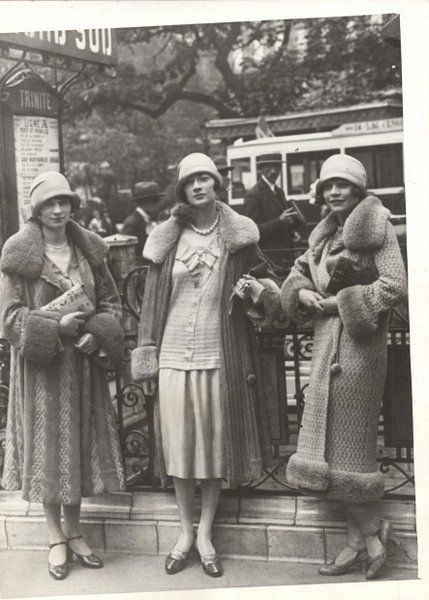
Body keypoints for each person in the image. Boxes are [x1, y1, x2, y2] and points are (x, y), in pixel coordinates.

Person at [130, 153, 286, 578]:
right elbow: (150, 308)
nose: (199, 185)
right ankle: (184, 532)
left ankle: (206, 534)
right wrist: (146, 355)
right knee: (180, 445)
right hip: (173, 355)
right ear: (181, 189)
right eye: (190, 180)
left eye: (206, 178)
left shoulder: (237, 236)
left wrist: (257, 289)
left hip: (220, 355)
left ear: (217, 185)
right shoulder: (167, 237)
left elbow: (269, 286)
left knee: (214, 447)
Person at [280, 154, 407, 580]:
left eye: (344, 185)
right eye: (328, 186)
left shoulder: (378, 229)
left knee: (345, 448)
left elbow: (394, 284)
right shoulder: (324, 235)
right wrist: (299, 294)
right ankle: (362, 538)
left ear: (358, 190)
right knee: (327, 451)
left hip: (359, 351)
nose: (334, 192)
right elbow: (298, 272)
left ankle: (370, 533)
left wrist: (340, 303)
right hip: (324, 348)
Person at [0, 171, 126, 581]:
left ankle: (75, 532)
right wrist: (54, 327)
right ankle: (54, 537)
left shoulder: (88, 252)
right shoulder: (20, 255)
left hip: (82, 367)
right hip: (42, 372)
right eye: (49, 203)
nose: (57, 210)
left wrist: (96, 335)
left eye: (64, 202)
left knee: (79, 447)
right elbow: (7, 316)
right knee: (48, 447)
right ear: (36, 210)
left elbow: (111, 305)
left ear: (73, 206)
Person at [243, 153, 297, 269]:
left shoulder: (279, 191)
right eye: (269, 167)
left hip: (285, 256)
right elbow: (252, 231)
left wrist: (292, 232)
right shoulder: (253, 195)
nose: (273, 171)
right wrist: (280, 220)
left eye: (277, 167)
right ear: (261, 169)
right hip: (268, 258)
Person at [119, 181, 163, 258]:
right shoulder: (132, 223)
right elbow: (128, 256)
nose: (158, 205)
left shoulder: (150, 221)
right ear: (146, 202)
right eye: (156, 201)